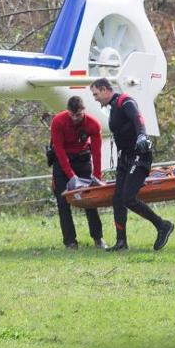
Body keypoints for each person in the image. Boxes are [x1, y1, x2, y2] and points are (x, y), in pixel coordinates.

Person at [88, 78, 175, 251]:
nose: (95, 98)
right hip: (125, 157)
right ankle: (121, 242)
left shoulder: (125, 101)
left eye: (96, 94)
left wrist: (142, 135)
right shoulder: (112, 108)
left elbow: (138, 119)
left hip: (139, 155)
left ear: (105, 90)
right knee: (118, 199)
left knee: (128, 198)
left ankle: (162, 225)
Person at [48, 97, 107, 249]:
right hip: (62, 163)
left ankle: (98, 238)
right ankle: (70, 242)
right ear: (68, 112)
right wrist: (71, 176)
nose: (76, 118)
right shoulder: (58, 121)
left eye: (79, 115)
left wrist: (97, 176)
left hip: (82, 161)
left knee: (90, 200)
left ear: (83, 111)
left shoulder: (93, 124)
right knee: (63, 202)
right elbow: (59, 151)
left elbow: (96, 152)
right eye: (72, 115)